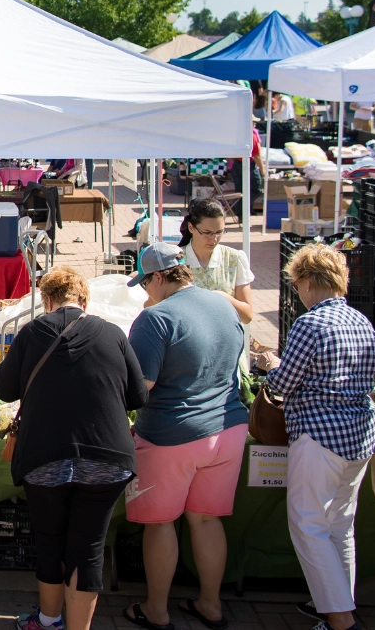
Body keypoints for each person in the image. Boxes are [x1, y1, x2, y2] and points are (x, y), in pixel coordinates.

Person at [0, 267, 147, 630]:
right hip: (108, 456)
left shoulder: (31, 333)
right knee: (88, 548)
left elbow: (4, 388)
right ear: (84, 301)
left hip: (45, 454)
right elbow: (139, 395)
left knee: (49, 540)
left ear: (46, 301)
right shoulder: (113, 333)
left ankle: (48, 621)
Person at [247, 244, 375, 630]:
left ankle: (339, 618)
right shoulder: (361, 321)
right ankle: (338, 606)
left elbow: (283, 385)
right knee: (340, 525)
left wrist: (272, 365)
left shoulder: (311, 323)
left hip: (320, 435)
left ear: (305, 282)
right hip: (360, 434)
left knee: (308, 525)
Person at [122, 242, 248, 630]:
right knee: (206, 520)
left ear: (158, 277)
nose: (146, 292)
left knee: (160, 524)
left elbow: (139, 387)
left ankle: (156, 610)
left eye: (146, 284)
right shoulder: (223, 304)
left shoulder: (155, 319)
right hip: (228, 429)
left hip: (171, 434)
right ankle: (211, 605)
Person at [178, 197, 256, 370]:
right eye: (207, 233)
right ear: (191, 227)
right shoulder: (176, 261)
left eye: (219, 232)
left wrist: (223, 298)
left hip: (227, 352)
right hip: (187, 352)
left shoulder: (234, 258)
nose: (213, 239)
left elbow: (247, 315)